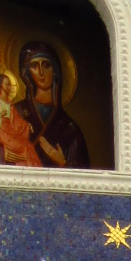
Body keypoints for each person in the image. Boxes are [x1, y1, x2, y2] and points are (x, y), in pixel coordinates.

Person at [14, 40, 90, 169]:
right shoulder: (16, 112)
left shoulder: (69, 128)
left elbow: (83, 174)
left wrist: (63, 163)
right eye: (34, 66)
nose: (41, 72)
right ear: (27, 73)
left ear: (55, 71)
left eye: (46, 65)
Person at [0, 70, 42, 167]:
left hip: (11, 133)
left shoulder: (10, 105)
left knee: (28, 147)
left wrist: (26, 125)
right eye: (8, 84)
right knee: (24, 149)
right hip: (1, 134)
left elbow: (16, 121)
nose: (10, 87)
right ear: (1, 85)